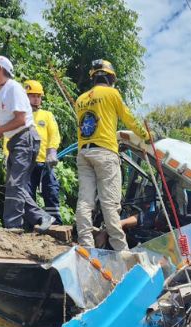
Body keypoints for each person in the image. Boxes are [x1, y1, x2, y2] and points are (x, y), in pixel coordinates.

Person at [74, 59, 149, 250]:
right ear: (110, 77)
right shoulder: (112, 94)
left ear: (94, 76)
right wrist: (146, 135)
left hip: (84, 153)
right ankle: (120, 250)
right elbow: (129, 119)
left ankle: (86, 245)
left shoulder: (80, 99)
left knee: (85, 200)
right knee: (110, 203)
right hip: (105, 152)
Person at [0, 56, 54, 232]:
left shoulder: (13, 88)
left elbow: (20, 120)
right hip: (14, 140)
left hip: (25, 138)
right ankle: (42, 217)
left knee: (15, 183)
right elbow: (1, 127)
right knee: (14, 185)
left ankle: (13, 226)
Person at [3, 79, 62, 224]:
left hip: (45, 163)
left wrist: (52, 152)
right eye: (33, 96)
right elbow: (8, 137)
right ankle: (33, 226)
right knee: (26, 194)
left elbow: (54, 134)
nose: (37, 99)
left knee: (51, 192)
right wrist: (6, 155)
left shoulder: (47, 115)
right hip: (26, 165)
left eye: (39, 96)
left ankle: (56, 225)